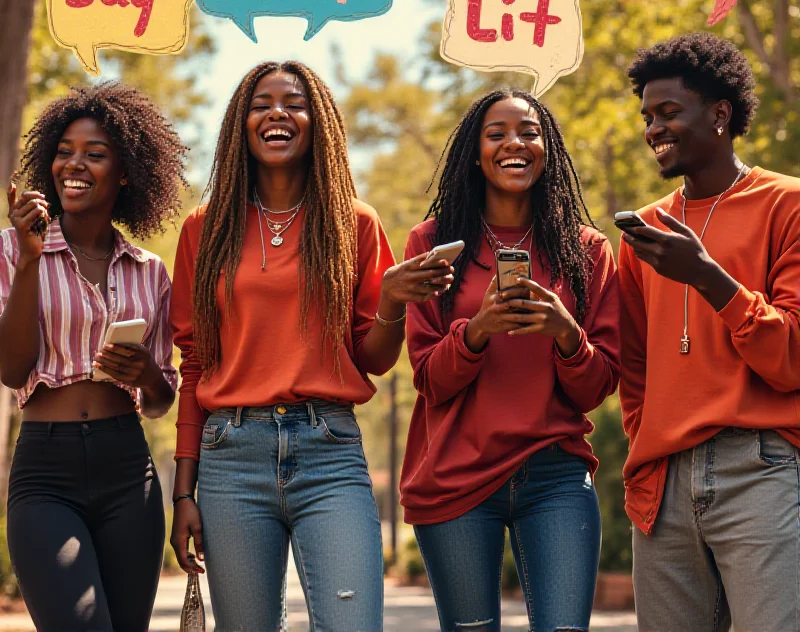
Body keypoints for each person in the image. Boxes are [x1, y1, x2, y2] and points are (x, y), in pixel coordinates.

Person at [169, 60, 453, 632]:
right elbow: (195, 362)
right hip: (231, 456)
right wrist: (183, 492)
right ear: (240, 125)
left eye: (294, 102)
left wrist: (394, 303)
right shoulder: (205, 227)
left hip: (329, 448)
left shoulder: (356, 223)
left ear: (317, 120)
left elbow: (372, 359)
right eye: (261, 103)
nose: (278, 112)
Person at [400, 89, 621, 632]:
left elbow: (598, 386)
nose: (513, 143)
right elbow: (429, 378)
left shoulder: (586, 250)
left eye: (528, 131)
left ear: (548, 149)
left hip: (556, 475)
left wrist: (565, 333)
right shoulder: (434, 244)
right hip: (456, 475)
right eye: (496, 134)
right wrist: (476, 332)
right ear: (475, 153)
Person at [618, 32, 800, 632]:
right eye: (648, 116)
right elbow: (635, 367)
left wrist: (708, 278)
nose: (653, 129)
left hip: (761, 470)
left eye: (669, 112)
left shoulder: (787, 205)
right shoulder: (644, 230)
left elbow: (792, 360)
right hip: (664, 482)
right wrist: (648, 448)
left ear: (720, 114)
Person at [0, 83, 184, 632]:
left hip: (128, 470)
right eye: (64, 151)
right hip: (44, 473)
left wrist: (148, 375)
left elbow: (160, 403)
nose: (73, 164)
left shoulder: (149, 270)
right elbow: (11, 369)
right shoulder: (12, 249)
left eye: (94, 154)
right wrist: (32, 262)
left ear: (125, 173)